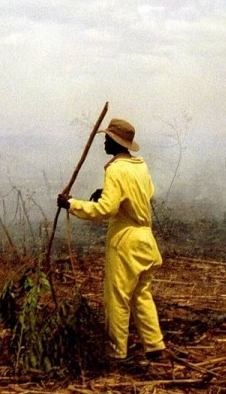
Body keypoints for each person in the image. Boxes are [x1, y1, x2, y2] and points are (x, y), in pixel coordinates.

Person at [56, 118, 166, 363]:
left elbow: (104, 210)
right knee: (141, 294)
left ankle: (116, 353)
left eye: (107, 138)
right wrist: (106, 193)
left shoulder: (116, 169)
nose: (104, 142)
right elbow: (145, 194)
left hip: (125, 242)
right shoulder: (140, 166)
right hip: (146, 240)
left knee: (117, 298)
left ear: (116, 141)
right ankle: (154, 345)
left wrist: (71, 204)